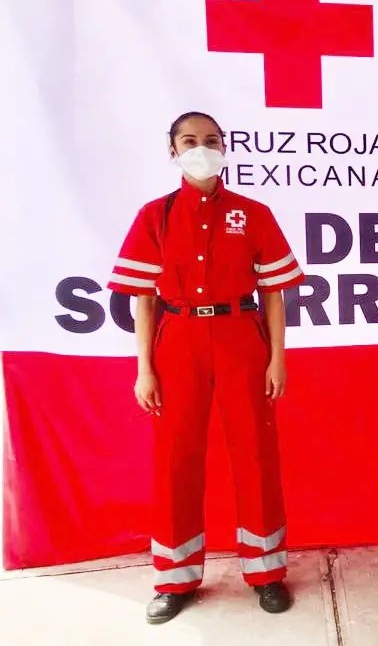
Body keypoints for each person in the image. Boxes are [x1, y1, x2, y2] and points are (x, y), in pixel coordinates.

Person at [108, 112, 304, 623]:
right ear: (172, 150)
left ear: (226, 147)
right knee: (176, 458)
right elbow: (144, 301)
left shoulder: (252, 212)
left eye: (211, 140)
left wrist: (277, 358)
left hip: (242, 336)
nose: (202, 148)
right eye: (189, 141)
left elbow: (274, 295)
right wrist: (144, 369)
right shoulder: (156, 216)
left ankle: (266, 572)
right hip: (179, 342)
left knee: (256, 454)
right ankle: (176, 579)